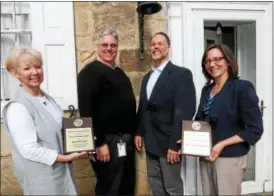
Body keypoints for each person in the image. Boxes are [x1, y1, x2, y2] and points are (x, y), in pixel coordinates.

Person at [2, 48, 87, 195]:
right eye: (27, 68)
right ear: (15, 73)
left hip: (61, 175)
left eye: (38, 66)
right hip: (42, 179)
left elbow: (57, 132)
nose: (35, 72)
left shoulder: (47, 99)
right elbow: (29, 149)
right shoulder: (18, 107)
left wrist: (82, 139)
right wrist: (63, 157)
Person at [196, 44, 263, 195]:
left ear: (228, 61)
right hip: (205, 156)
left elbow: (255, 128)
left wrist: (222, 144)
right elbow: (199, 121)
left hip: (229, 158)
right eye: (207, 61)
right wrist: (187, 140)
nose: (212, 64)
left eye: (217, 59)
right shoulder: (206, 90)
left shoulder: (242, 88)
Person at [134, 32, 196, 196]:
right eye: (153, 44)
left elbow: (185, 111)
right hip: (151, 141)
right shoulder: (147, 77)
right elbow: (143, 108)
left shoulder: (180, 74)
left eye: (160, 44)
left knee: (172, 187)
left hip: (169, 142)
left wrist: (175, 145)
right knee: (156, 184)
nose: (156, 47)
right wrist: (139, 132)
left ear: (168, 48)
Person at [77, 28, 137, 196]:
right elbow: (86, 110)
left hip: (125, 140)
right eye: (105, 45)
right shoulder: (89, 72)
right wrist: (99, 143)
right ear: (98, 47)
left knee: (126, 186)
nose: (109, 48)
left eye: (113, 45)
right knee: (109, 188)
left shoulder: (119, 72)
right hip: (107, 142)